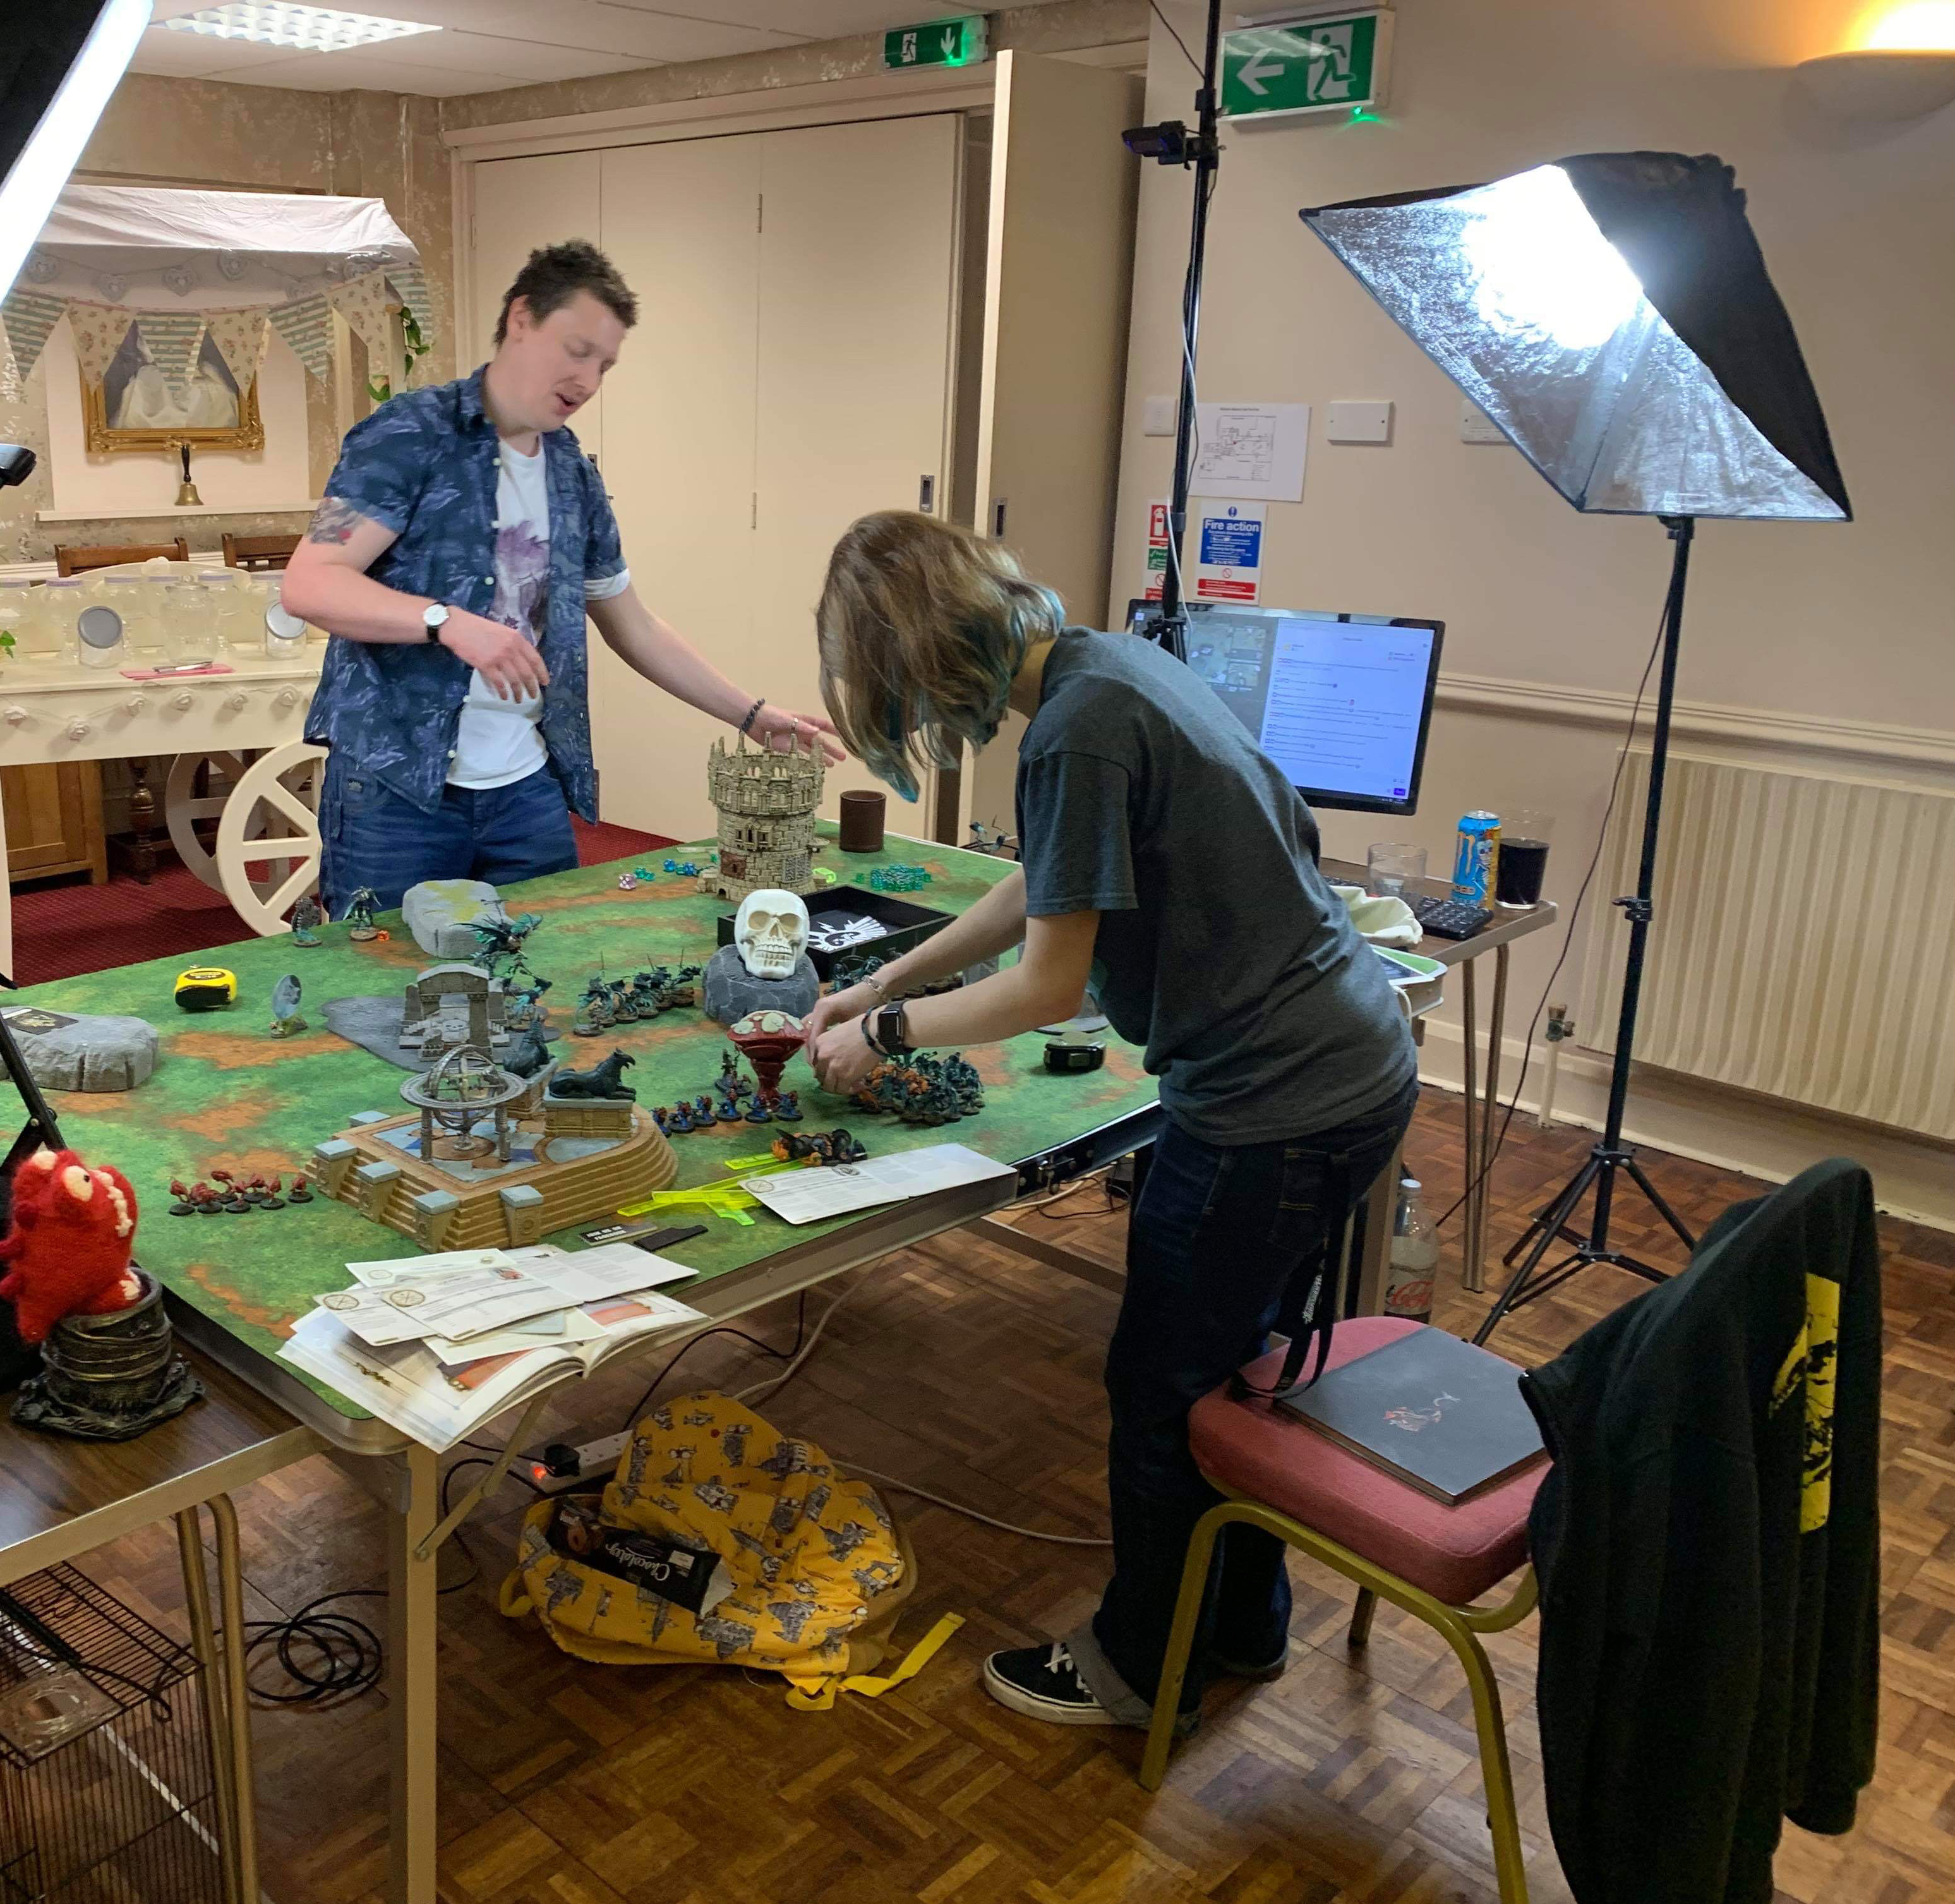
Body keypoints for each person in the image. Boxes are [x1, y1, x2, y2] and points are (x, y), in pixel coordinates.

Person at [800, 511, 1419, 1740]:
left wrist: (888, 1035)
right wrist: (888, 977)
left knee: (1162, 1389)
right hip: (1353, 1069)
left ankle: (1142, 1666)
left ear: (922, 656)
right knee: (1239, 1372)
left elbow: (1047, 987)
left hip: (1270, 1106)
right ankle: (1240, 1626)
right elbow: (1049, 876)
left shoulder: (1076, 731)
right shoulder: (1107, 667)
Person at [280, 240, 840, 906]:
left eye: (605, 365)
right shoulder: (410, 435)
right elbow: (311, 582)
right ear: (521, 319)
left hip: (526, 789)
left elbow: (634, 625)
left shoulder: (573, 473)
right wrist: (447, 623)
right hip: (396, 788)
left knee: (543, 966)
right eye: (578, 351)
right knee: (384, 967)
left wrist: (751, 715)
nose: (589, 381)